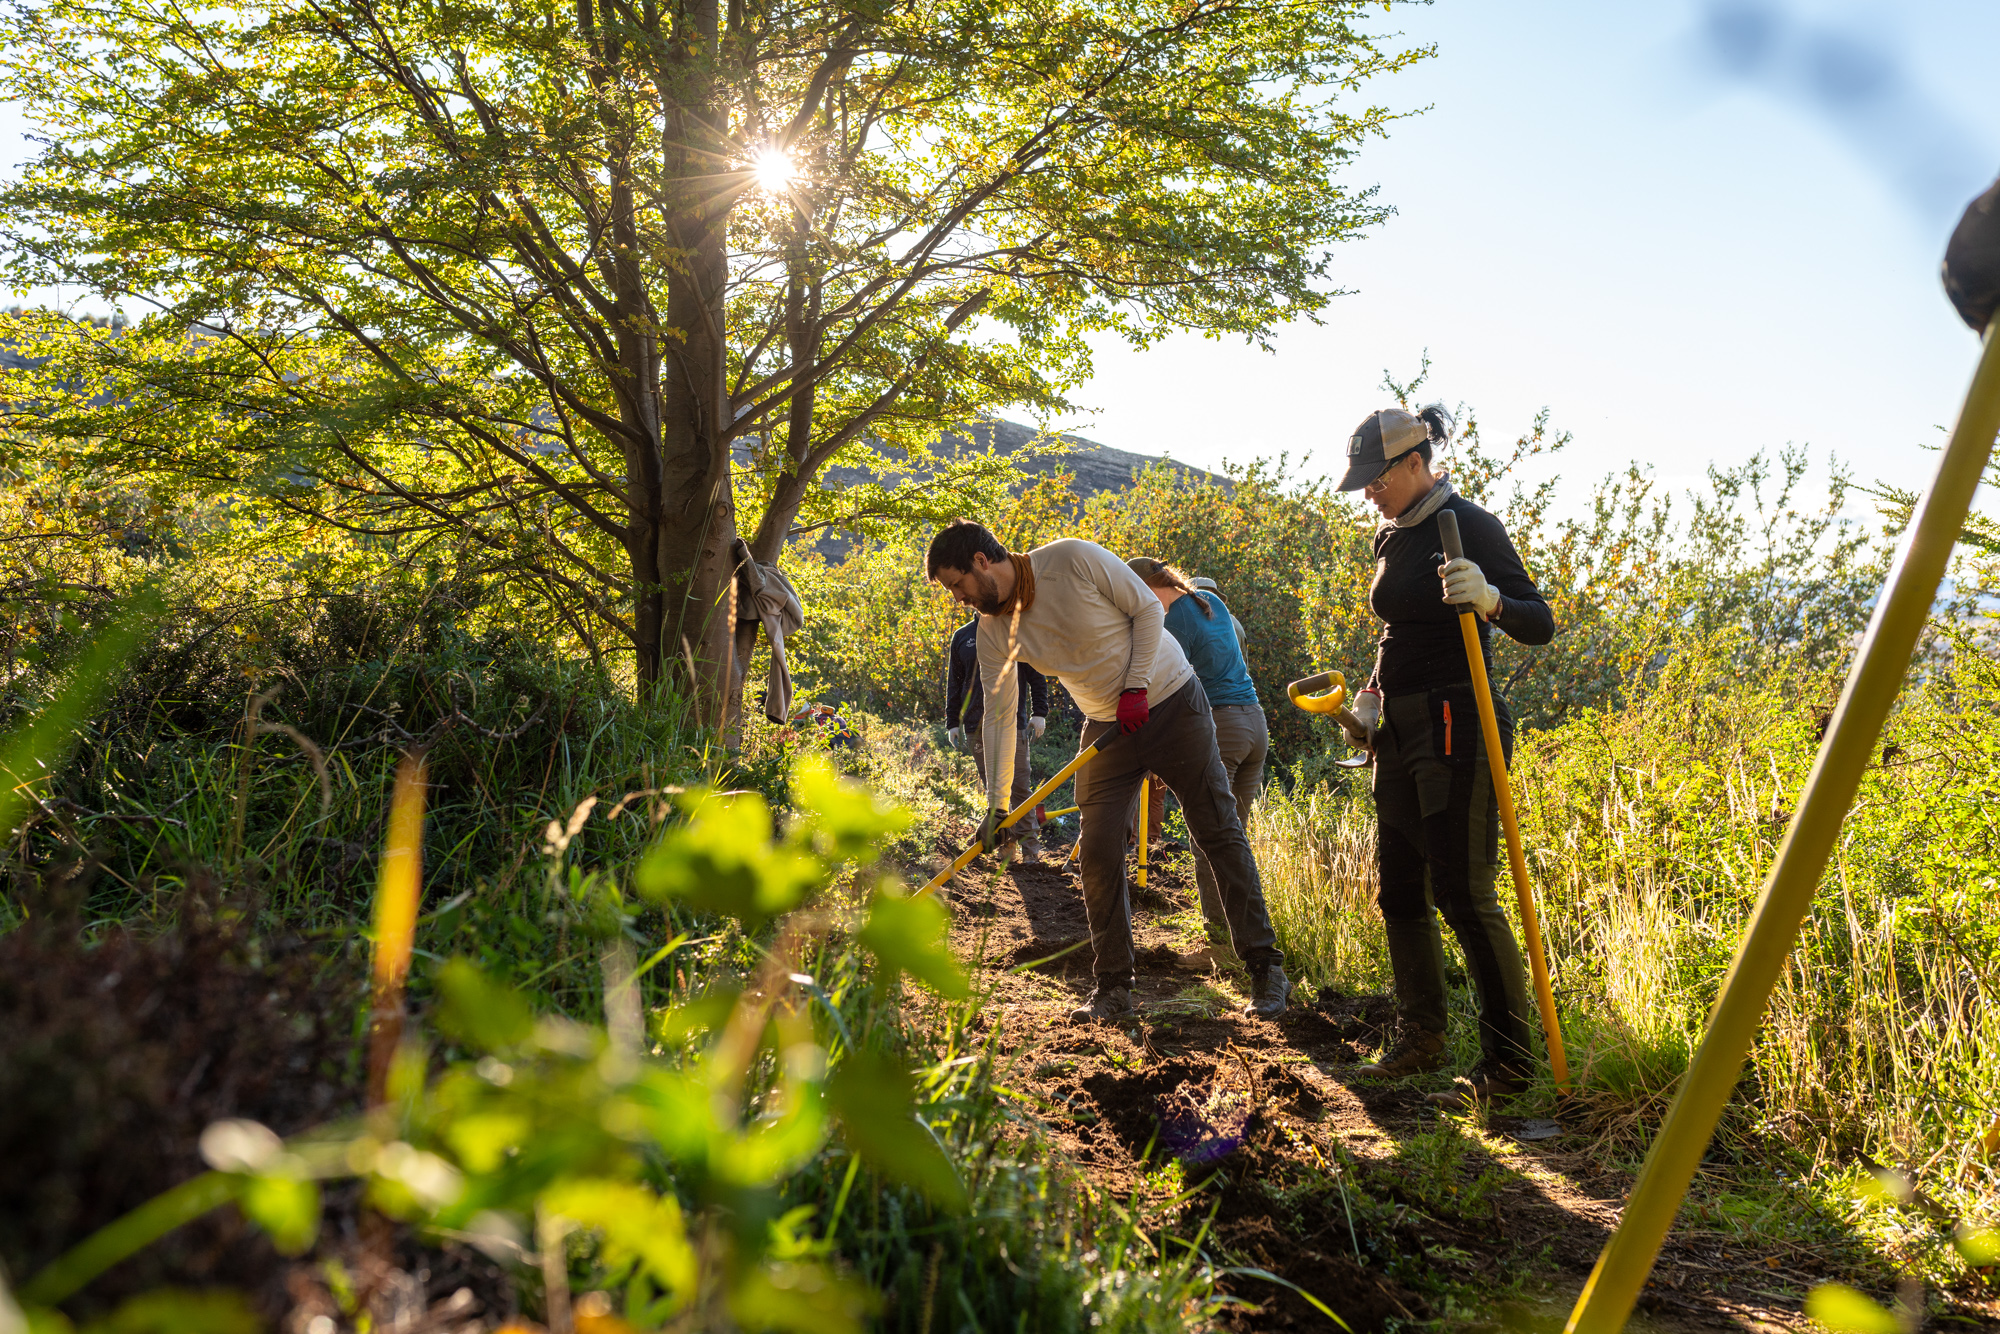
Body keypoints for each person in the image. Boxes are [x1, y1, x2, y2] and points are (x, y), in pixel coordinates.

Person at [924, 520, 1290, 1021]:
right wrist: (999, 804)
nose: (959, 598)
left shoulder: (1071, 559)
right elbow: (1000, 713)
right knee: (1096, 851)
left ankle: (1266, 969)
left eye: (957, 584)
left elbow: (1145, 609)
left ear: (982, 563)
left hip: (1170, 700)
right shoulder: (992, 633)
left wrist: (1136, 687)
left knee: (1217, 830)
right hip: (1105, 725)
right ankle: (1113, 986)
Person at [1336, 404, 1555, 1108]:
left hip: (1460, 721)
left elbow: (1538, 621)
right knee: (1399, 888)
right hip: (1398, 728)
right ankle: (1421, 1036)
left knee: (1464, 893)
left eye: (1377, 477)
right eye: (1364, 479)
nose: (1369, 489)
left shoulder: (1471, 525)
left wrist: (1490, 599)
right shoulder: (1391, 535)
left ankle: (1509, 1066)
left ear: (1413, 462)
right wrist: (1372, 694)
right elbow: (1399, 628)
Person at [1128, 559, 1268, 970]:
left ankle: (1219, 944)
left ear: (1150, 588)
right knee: (1233, 838)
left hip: (1222, 724)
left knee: (1209, 838)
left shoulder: (1172, 622)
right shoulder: (1210, 601)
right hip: (1254, 723)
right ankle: (1251, 940)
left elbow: (1165, 685)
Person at [944, 618, 1050, 860]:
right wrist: (952, 722)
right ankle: (1007, 843)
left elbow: (1036, 675)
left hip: (1013, 723)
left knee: (1020, 787)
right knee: (994, 789)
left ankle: (1030, 849)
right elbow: (955, 681)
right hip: (975, 725)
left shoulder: (1013, 632)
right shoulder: (963, 636)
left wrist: (1039, 712)